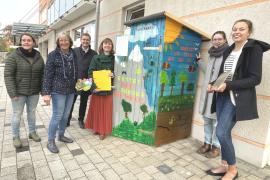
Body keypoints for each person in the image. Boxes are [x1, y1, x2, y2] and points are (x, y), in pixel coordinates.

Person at [207, 19, 270, 180]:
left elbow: (255, 79)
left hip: (235, 99)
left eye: (241, 29)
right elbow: (224, 75)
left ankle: (233, 170)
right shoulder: (228, 50)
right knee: (223, 132)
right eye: (234, 29)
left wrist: (227, 85)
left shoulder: (253, 49)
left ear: (249, 32)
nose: (236, 32)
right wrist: (213, 84)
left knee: (221, 132)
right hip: (221, 96)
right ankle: (224, 165)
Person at [4, 33, 44, 148]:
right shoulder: (14, 56)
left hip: (34, 92)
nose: (26, 42)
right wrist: (12, 93)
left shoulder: (38, 56)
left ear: (33, 42)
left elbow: (42, 74)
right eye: (24, 40)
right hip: (19, 93)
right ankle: (15, 136)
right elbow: (8, 75)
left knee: (31, 112)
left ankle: (32, 132)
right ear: (20, 42)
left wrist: (42, 90)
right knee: (17, 114)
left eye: (29, 40)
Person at [42, 33, 78, 153]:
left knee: (66, 114)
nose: (64, 42)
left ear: (70, 41)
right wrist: (46, 93)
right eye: (61, 40)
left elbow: (76, 70)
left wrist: (80, 81)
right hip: (58, 90)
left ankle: (61, 135)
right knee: (57, 115)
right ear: (58, 42)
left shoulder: (74, 54)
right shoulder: (53, 55)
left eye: (66, 40)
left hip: (71, 90)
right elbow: (47, 75)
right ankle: (50, 141)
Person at [196, 31, 229, 158]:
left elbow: (228, 74)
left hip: (218, 93)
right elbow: (208, 72)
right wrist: (199, 61)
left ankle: (216, 147)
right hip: (207, 93)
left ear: (225, 40)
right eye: (214, 39)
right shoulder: (211, 54)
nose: (216, 41)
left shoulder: (228, 54)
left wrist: (218, 85)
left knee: (217, 122)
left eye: (219, 39)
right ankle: (207, 144)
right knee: (206, 120)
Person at [85, 38, 115, 140]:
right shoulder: (95, 58)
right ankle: (96, 128)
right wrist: (93, 87)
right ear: (102, 46)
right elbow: (90, 72)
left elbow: (119, 72)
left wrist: (113, 74)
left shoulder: (115, 59)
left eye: (109, 44)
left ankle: (103, 131)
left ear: (112, 46)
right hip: (97, 89)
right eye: (105, 44)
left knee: (105, 111)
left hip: (108, 89)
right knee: (97, 109)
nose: (107, 45)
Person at [67, 33, 97, 128]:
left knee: (83, 102)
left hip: (86, 81)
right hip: (76, 81)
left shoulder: (94, 54)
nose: (85, 41)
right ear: (81, 40)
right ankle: (67, 119)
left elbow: (95, 68)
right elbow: (69, 65)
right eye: (84, 39)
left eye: (87, 40)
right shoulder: (74, 51)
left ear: (90, 41)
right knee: (71, 101)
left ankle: (81, 120)